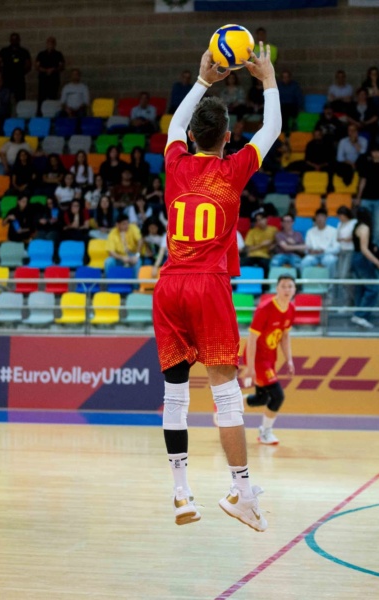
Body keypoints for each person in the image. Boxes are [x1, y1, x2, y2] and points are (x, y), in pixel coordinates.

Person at [153, 45, 280, 531]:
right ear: (228, 137)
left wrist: (203, 80)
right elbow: (271, 130)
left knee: (175, 395)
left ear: (191, 137)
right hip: (208, 284)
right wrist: (267, 79)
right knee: (226, 395)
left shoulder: (176, 164)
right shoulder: (233, 169)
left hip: (169, 284)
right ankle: (241, 491)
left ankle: (181, 494)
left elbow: (172, 127)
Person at [242, 274, 296, 446]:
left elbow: (285, 337)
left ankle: (232, 401)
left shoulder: (291, 309)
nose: (287, 290)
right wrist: (250, 367)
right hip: (258, 358)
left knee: (262, 398)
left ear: (294, 289)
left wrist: (289, 360)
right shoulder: (265, 309)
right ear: (277, 288)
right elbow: (251, 339)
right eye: (283, 286)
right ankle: (265, 432)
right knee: (277, 396)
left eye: (290, 286)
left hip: (270, 357)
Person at [349, 207, 379, 329]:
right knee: (373, 288)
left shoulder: (356, 226)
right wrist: (378, 263)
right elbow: (364, 249)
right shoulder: (364, 228)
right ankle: (361, 315)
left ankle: (358, 313)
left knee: (361, 288)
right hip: (362, 259)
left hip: (355, 257)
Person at [355, 142, 379, 249]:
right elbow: (362, 182)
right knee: (364, 225)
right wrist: (358, 197)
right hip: (366, 198)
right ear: (371, 153)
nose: (376, 154)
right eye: (374, 151)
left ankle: (378, 251)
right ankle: (364, 248)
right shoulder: (367, 165)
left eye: (378, 151)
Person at [300, 208, 339, 275]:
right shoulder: (310, 231)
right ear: (315, 218)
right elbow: (306, 247)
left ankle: (331, 281)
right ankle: (305, 281)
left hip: (327, 254)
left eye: (322, 216)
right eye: (318, 216)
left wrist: (324, 250)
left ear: (326, 218)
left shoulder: (333, 231)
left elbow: (337, 248)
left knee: (330, 261)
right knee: (304, 262)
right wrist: (310, 251)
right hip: (313, 255)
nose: (320, 219)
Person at [0, 33, 32, 102]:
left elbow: (28, 66)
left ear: (19, 40)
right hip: (7, 79)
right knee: (5, 100)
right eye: (12, 39)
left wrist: (21, 73)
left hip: (19, 80)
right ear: (10, 40)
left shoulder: (24, 52)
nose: (14, 41)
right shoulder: (4, 51)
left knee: (20, 100)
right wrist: (3, 72)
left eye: (16, 39)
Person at [35, 37, 65, 112]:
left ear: (55, 44)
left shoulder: (58, 54)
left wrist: (53, 70)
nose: (50, 45)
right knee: (41, 98)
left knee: (53, 98)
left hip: (53, 80)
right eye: (48, 43)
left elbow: (61, 66)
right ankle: (40, 114)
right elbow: (37, 66)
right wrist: (45, 70)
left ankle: (52, 114)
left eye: (52, 43)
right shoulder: (41, 54)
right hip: (43, 80)